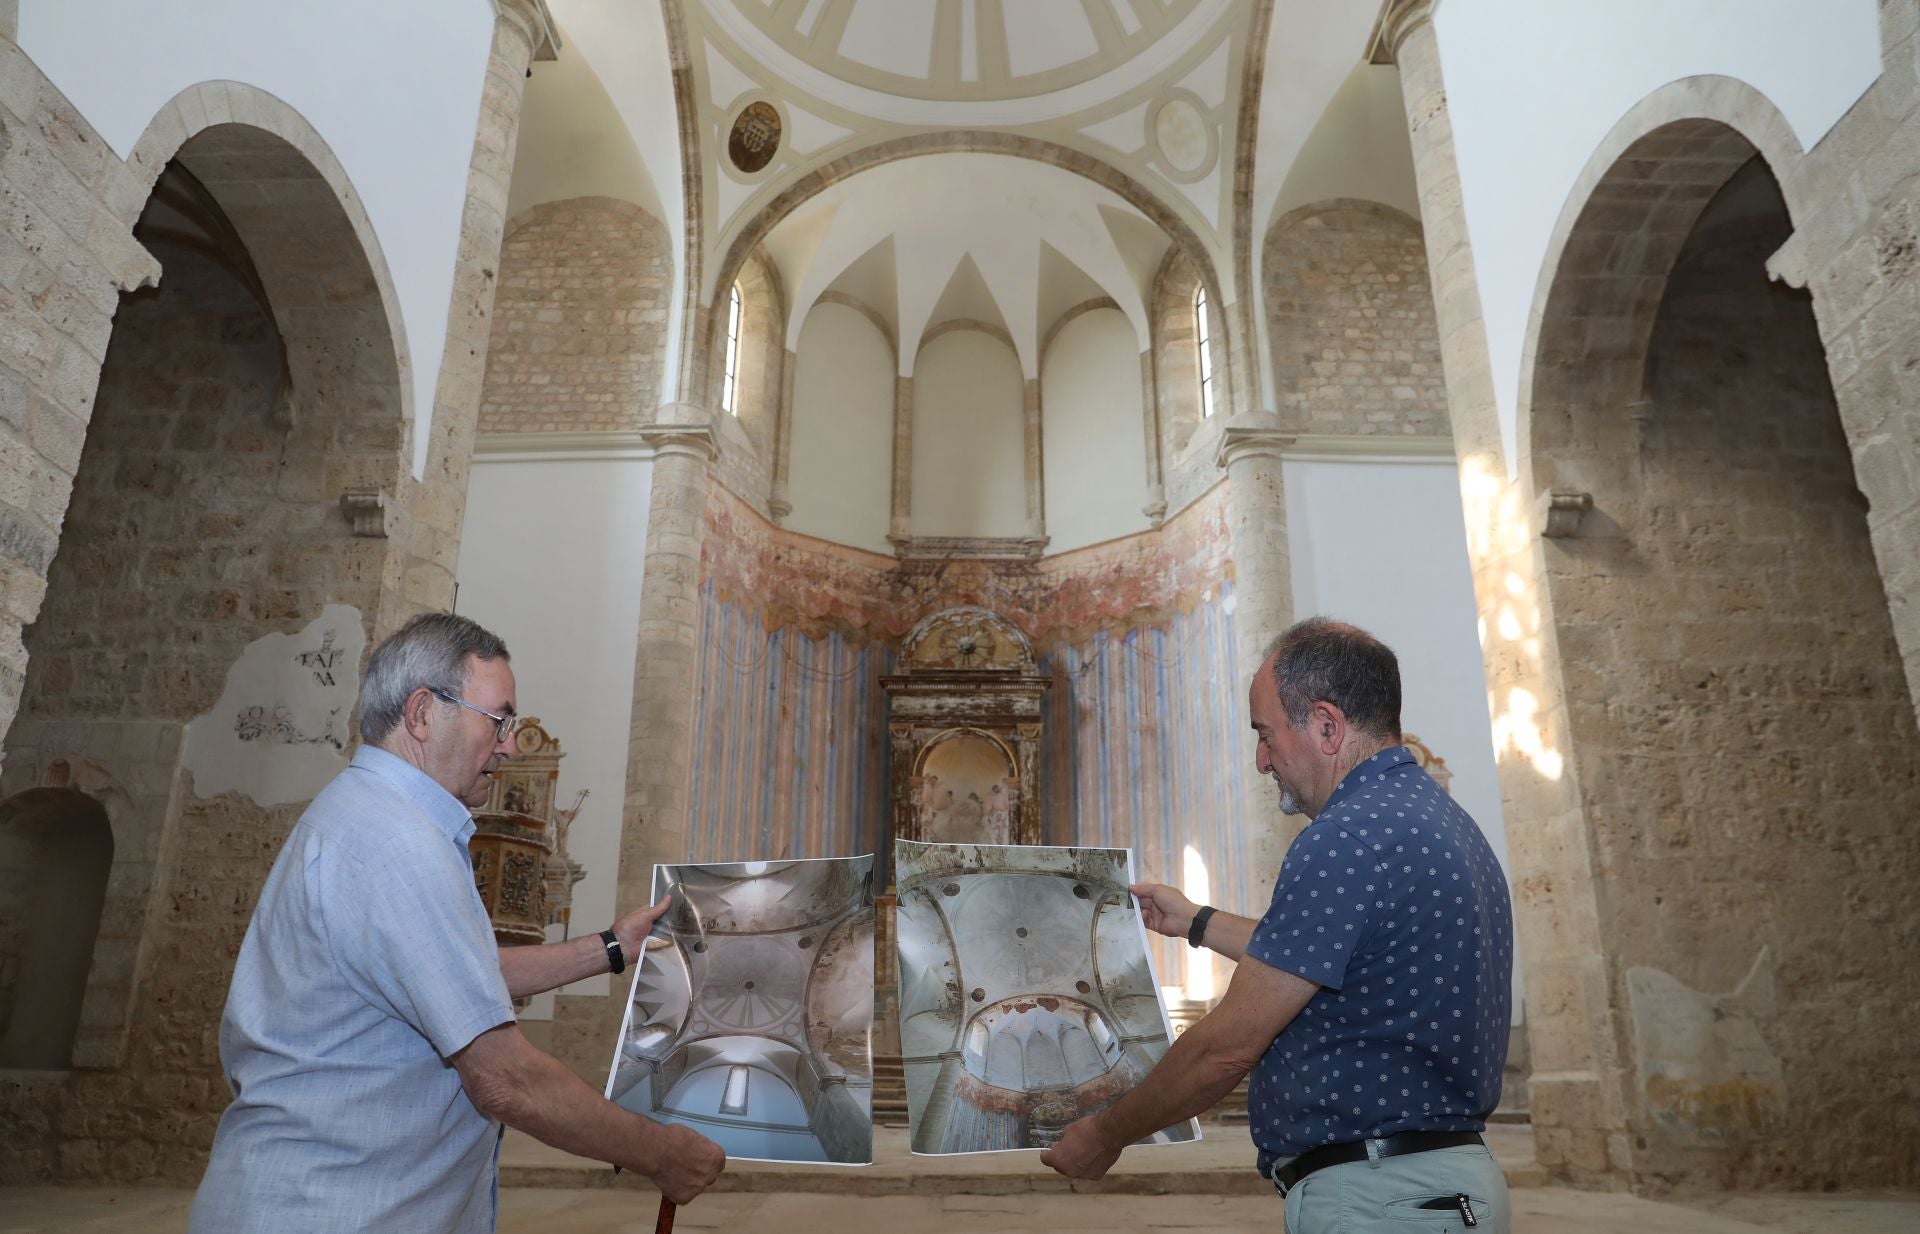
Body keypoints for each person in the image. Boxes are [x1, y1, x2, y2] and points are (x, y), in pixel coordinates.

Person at [189, 613, 725, 1233]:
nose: (508, 745)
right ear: (422, 714)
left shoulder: (371, 817)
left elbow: (459, 975)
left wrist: (611, 947)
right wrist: (660, 1153)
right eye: (499, 720)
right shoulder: (398, 845)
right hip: (337, 1210)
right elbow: (506, 1080)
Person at [1041, 617, 1514, 1233]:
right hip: (1445, 1185)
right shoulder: (1438, 820)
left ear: (1326, 724)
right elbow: (1321, 958)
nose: (1262, 760)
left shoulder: (1345, 837)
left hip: (1379, 1198)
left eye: (1266, 734)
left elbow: (1225, 1051)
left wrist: (1106, 1134)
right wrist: (1195, 922)